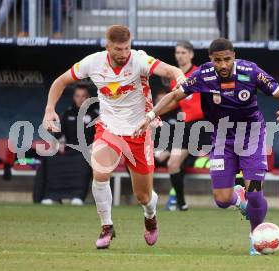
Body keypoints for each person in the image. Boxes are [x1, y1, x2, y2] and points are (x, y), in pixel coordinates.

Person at [135, 38, 279, 256]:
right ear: (211, 60)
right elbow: (174, 96)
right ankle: (239, 199)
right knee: (221, 200)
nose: (223, 65)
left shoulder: (251, 71)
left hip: (252, 138)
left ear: (234, 57)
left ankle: (256, 237)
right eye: (218, 60)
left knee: (255, 193)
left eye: (227, 59)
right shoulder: (203, 75)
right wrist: (151, 115)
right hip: (221, 138)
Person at [42, 25, 186, 249]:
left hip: (139, 131)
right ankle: (107, 227)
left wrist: (181, 76)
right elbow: (60, 82)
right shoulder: (92, 62)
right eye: (118, 49)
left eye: (127, 48)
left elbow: (170, 71)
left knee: (143, 196)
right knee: (99, 172)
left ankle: (150, 215)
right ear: (107, 46)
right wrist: (50, 109)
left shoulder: (139, 60)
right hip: (109, 128)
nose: (123, 53)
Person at [154, 41, 208, 211]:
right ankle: (181, 203)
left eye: (184, 52)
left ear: (191, 54)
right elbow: (174, 102)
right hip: (186, 128)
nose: (180, 55)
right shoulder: (175, 80)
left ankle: (243, 198)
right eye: (177, 52)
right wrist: (154, 113)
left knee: (228, 161)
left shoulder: (200, 73)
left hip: (204, 126)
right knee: (172, 163)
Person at [39, 84, 98, 206]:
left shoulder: (95, 114)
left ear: (88, 97)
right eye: (77, 96)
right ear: (74, 97)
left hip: (86, 152)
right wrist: (60, 142)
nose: (80, 99)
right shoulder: (67, 113)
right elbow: (59, 132)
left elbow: (100, 135)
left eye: (83, 96)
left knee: (84, 160)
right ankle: (52, 195)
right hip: (68, 150)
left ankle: (77, 196)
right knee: (50, 159)